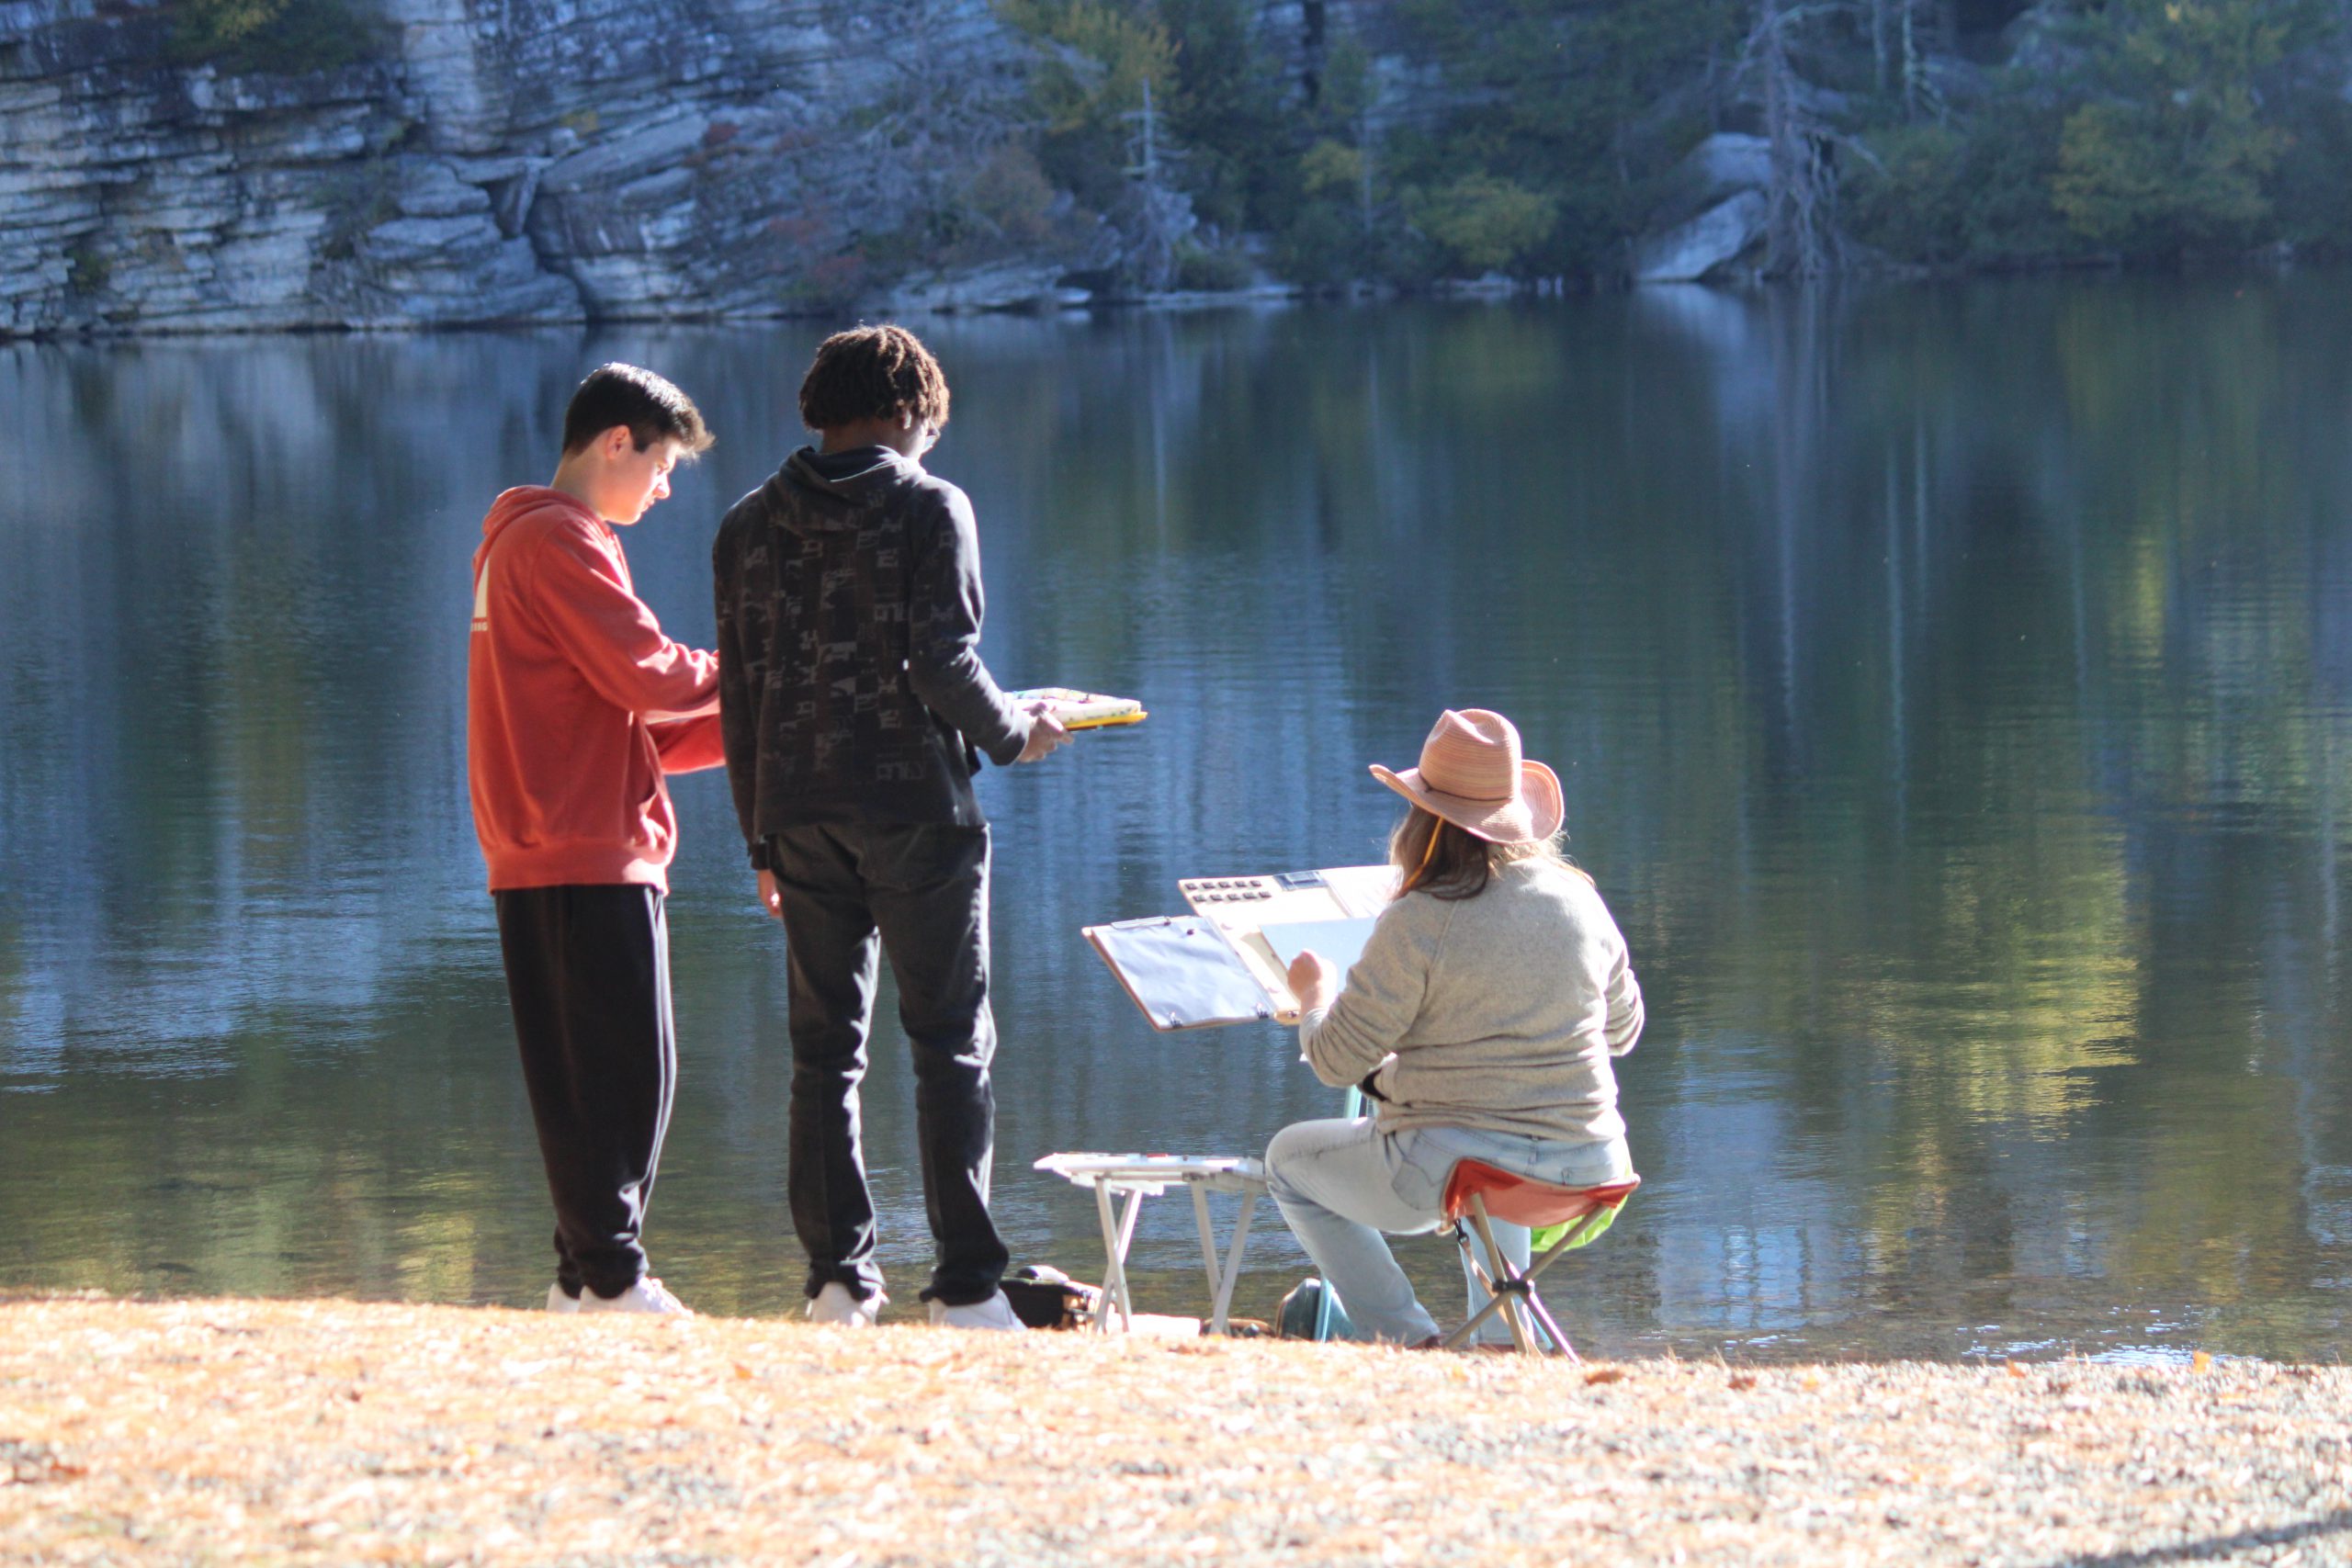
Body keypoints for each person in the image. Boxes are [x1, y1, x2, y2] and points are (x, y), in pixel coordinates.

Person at [711, 323, 1069, 1332]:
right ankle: (963, 1287)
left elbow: (741, 694)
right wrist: (1018, 735)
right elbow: (941, 662)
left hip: (798, 816)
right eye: (928, 432)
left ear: (820, 410)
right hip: (916, 811)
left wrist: (759, 838)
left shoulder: (745, 524)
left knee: (824, 1053)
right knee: (950, 1044)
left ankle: (838, 1281)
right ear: (912, 413)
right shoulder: (929, 506)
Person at [468, 363, 723, 1316]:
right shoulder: (557, 541)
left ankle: (585, 1278)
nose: (662, 490)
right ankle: (612, 1278)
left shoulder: (532, 542)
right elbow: (652, 675)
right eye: (661, 468)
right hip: (576, 841)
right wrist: (761, 655)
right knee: (616, 1075)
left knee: (618, 1072)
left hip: (566, 837)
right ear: (617, 441)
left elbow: (636, 719)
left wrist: (757, 713)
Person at [1263, 707, 1644, 1348]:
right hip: (1589, 1166)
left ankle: (1408, 1339)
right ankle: (1501, 1336)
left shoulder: (1420, 918)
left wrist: (1313, 994)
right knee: (1497, 1144)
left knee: (1286, 1163)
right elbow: (1622, 1031)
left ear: (1423, 819)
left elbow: (1333, 1059)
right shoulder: (1581, 899)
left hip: (1452, 1171)